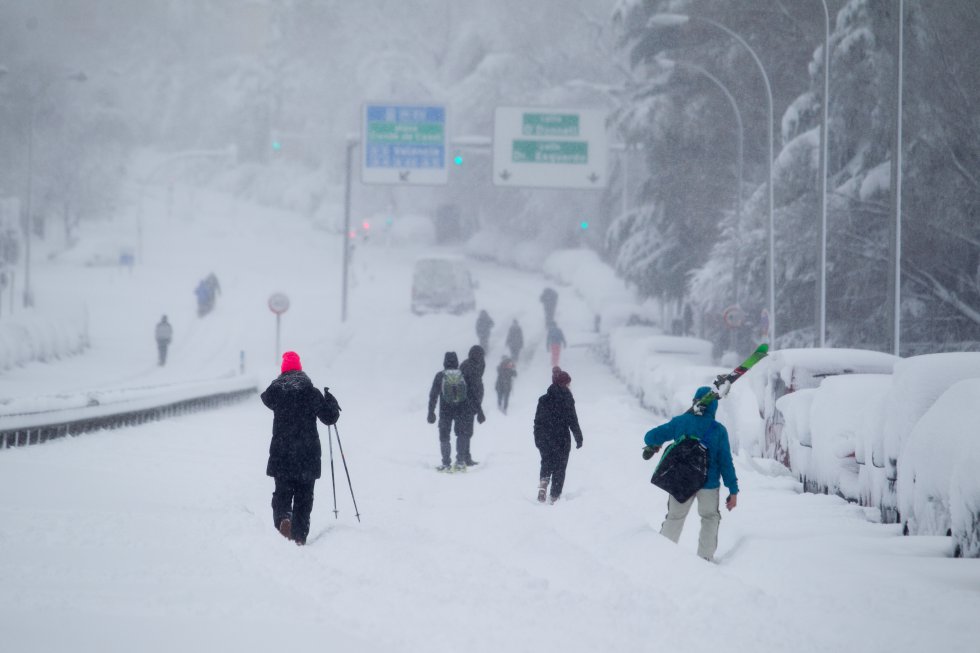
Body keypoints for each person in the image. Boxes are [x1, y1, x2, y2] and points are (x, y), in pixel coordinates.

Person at [642, 386, 739, 562]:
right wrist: (733, 490)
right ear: (714, 407)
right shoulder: (718, 430)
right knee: (710, 517)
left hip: (681, 481)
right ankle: (705, 559)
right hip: (708, 484)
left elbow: (650, 436)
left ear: (695, 402)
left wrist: (654, 444)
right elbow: (726, 463)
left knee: (674, 517)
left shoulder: (681, 422)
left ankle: (662, 555)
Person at [261, 351, 340, 545]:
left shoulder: (276, 393)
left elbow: (266, 397)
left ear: (283, 370)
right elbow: (329, 418)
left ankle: (283, 519)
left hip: (282, 454)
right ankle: (299, 537)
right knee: (304, 497)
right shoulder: (310, 392)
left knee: (282, 493)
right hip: (307, 454)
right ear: (300, 368)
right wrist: (331, 401)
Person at [533, 367, 583, 504]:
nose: (569, 386)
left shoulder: (543, 399)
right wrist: (578, 437)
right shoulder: (567, 399)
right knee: (560, 467)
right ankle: (554, 496)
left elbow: (538, 421)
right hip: (561, 438)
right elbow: (573, 420)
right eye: (568, 383)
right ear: (563, 384)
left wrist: (537, 437)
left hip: (545, 437)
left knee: (546, 461)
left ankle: (543, 482)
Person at [428, 352, 469, 471]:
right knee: (461, 434)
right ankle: (460, 462)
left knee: (444, 436)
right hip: (461, 409)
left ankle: (446, 464)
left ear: (445, 362)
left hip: (445, 411)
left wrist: (431, 412)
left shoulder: (440, 376)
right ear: (456, 361)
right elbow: (469, 394)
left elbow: (433, 395)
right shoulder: (462, 375)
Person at [458, 344, 487, 466]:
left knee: (466, 432)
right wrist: (480, 410)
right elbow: (472, 390)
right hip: (468, 404)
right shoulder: (471, 368)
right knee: (465, 432)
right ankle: (462, 458)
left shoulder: (468, 365)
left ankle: (465, 457)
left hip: (466, 404)